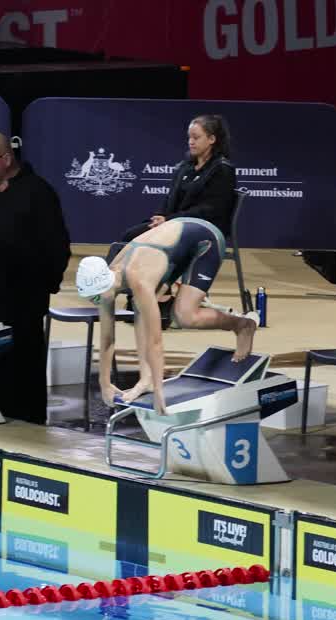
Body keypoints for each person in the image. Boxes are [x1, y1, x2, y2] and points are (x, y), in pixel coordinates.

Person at [76, 218, 259, 416]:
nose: (95, 302)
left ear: (105, 286)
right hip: (172, 249)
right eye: (90, 299)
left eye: (95, 297)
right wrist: (105, 384)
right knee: (140, 310)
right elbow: (107, 338)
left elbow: (156, 341)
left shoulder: (139, 279)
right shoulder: (108, 280)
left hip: (203, 238)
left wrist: (159, 391)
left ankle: (243, 325)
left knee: (184, 316)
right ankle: (144, 379)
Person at [0, 132, 72, 424]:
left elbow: (57, 245)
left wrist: (43, 284)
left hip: (24, 297)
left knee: (24, 364)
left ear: (6, 158)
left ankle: (29, 423)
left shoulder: (38, 193)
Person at [119, 114, 237, 245]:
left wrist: (169, 219)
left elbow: (209, 210)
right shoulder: (185, 166)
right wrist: (161, 216)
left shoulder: (222, 169)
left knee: (135, 238)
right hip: (177, 223)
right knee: (130, 235)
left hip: (203, 228)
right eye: (189, 137)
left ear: (211, 139)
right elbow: (170, 198)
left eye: (196, 137)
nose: (190, 142)